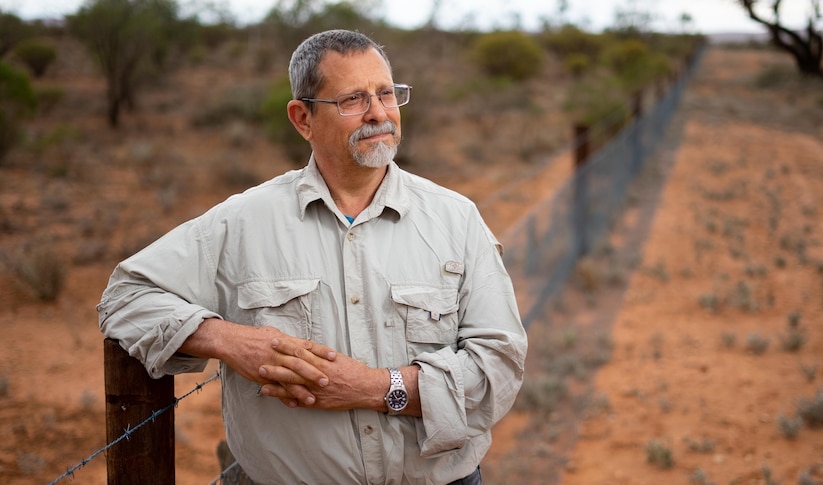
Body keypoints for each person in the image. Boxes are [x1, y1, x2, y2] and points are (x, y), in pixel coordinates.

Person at [98, 29, 527, 485]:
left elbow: (498, 367)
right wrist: (228, 341)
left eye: (387, 94)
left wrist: (375, 388)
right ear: (302, 118)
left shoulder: (456, 219)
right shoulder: (243, 221)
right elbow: (125, 295)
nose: (379, 114)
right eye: (353, 100)